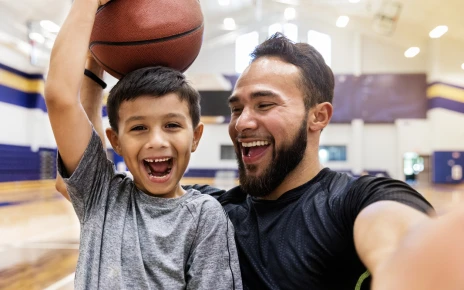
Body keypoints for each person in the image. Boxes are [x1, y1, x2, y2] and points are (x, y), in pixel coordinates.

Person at [57, 30, 464, 289]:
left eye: (265, 104)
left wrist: (413, 261)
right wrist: (99, 61)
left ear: (318, 116)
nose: (243, 122)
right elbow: (90, 166)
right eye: (237, 108)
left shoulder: (353, 200)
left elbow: (399, 236)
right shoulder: (210, 209)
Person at [44, 0, 242, 289]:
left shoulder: (204, 216)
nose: (157, 141)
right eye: (139, 128)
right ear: (116, 141)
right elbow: (60, 97)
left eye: (172, 125)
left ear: (196, 136)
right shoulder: (102, 195)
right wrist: (90, 17)